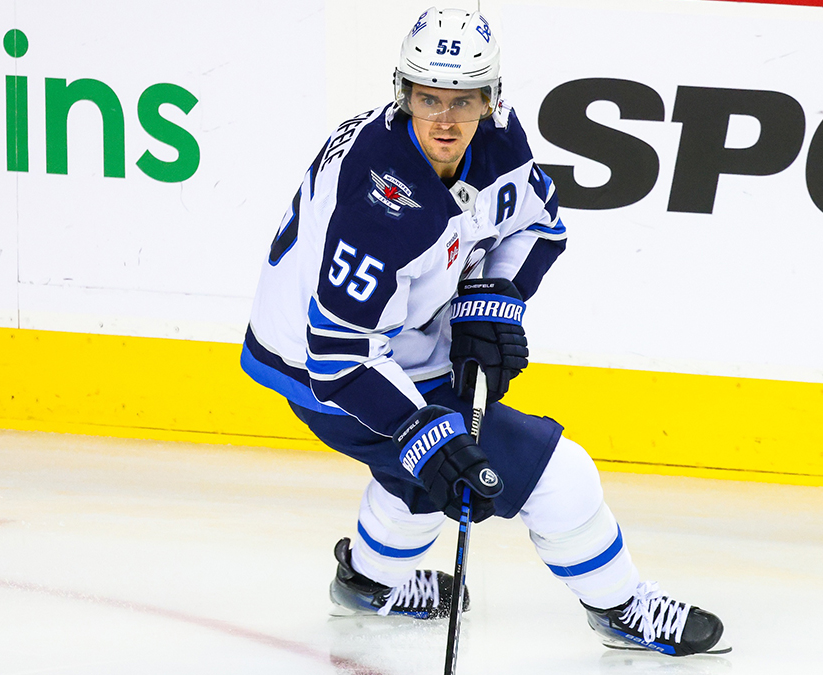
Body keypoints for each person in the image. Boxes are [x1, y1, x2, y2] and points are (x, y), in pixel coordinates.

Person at [241, 7, 727, 657]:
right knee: (557, 473)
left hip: (392, 335)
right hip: (322, 367)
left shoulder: (498, 142)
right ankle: (620, 604)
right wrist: (422, 431)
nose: (444, 119)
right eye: (427, 98)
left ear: (492, 98)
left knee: (419, 477)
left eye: (464, 99)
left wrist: (492, 300)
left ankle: (368, 579)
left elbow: (539, 227)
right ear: (402, 92)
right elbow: (337, 356)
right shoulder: (385, 205)